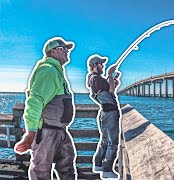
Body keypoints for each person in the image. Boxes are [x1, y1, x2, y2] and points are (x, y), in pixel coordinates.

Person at [14, 37, 77, 180]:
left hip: (59, 131)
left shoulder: (56, 70)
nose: (68, 52)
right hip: (47, 132)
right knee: (41, 172)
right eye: (64, 48)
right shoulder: (48, 70)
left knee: (67, 167)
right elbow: (35, 101)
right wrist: (31, 133)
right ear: (53, 51)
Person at [86, 55, 120, 179]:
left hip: (105, 113)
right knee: (113, 142)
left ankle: (98, 163)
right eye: (101, 63)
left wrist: (112, 79)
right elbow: (111, 91)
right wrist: (110, 75)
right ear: (95, 65)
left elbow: (110, 89)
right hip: (109, 114)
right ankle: (107, 169)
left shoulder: (95, 79)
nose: (103, 66)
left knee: (105, 140)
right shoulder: (97, 79)